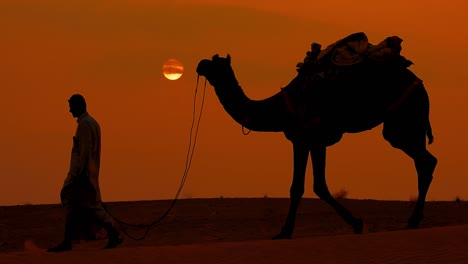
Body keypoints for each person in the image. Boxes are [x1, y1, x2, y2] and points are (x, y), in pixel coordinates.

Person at [48, 94, 122, 252]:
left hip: (82, 175)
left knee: (77, 204)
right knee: (85, 207)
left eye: (71, 106)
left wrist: (79, 175)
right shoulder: (92, 123)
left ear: (78, 106)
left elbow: (85, 152)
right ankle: (71, 240)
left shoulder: (85, 125)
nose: (69, 110)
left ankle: (70, 241)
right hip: (89, 173)